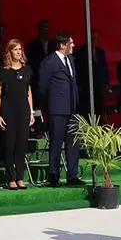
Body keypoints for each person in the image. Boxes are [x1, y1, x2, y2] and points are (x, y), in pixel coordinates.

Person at [38, 33, 85, 186]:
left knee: (73, 142)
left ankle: (72, 174)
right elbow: (42, 86)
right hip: (57, 108)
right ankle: (53, 175)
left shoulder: (71, 60)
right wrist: (48, 104)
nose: (73, 46)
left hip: (72, 108)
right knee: (56, 142)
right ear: (62, 45)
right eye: (71, 43)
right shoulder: (50, 62)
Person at [0, 39, 34, 190]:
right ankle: (11, 177)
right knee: (9, 144)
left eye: (20, 49)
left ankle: (20, 177)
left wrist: (31, 111)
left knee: (22, 144)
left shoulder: (27, 69)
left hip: (23, 109)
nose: (18, 52)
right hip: (8, 109)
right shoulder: (3, 71)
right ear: (10, 52)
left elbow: (29, 92)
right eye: (15, 49)